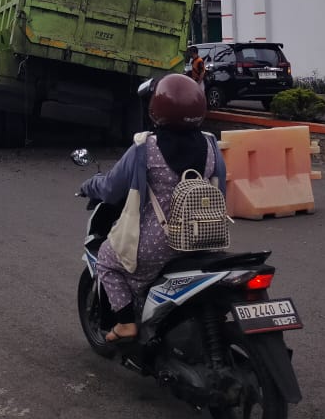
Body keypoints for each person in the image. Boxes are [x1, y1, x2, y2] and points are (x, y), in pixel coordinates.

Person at [78, 74, 227, 344]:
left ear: (156, 110)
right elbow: (221, 191)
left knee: (107, 262)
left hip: (160, 243)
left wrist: (89, 185)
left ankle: (125, 323)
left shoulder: (145, 148)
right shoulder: (211, 145)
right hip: (206, 238)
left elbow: (111, 189)